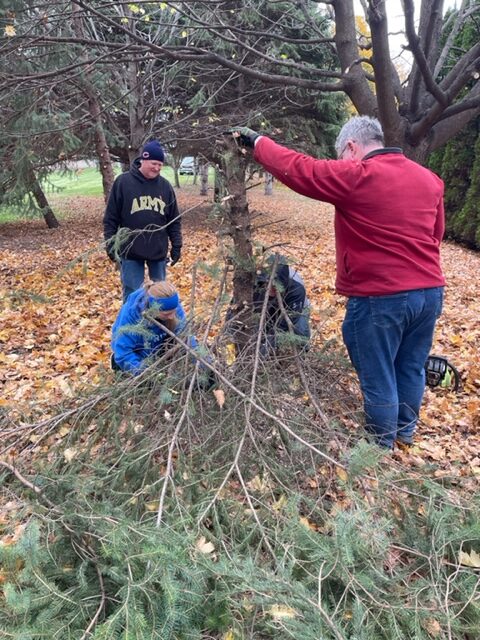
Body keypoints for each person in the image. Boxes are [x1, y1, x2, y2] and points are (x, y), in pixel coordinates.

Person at [229, 117, 445, 450]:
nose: (342, 162)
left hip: (381, 295)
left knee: (378, 373)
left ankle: (378, 449)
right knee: (411, 365)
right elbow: (436, 234)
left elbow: (302, 170)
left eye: (342, 154)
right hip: (429, 292)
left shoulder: (360, 174)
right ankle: (404, 435)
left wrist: (258, 143)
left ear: (352, 147)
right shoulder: (430, 180)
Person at [103, 140, 182, 301]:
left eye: (160, 165)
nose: (157, 168)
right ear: (143, 160)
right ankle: (131, 325)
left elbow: (174, 220)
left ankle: (158, 324)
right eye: (154, 163)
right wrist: (111, 245)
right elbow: (111, 218)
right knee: (132, 294)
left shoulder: (165, 186)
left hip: (158, 250)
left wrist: (177, 245)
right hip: (130, 250)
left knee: (161, 294)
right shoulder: (123, 183)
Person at [111, 280, 196, 374]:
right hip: (139, 358)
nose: (172, 316)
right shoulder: (131, 316)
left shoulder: (173, 306)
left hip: (161, 352)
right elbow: (123, 353)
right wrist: (144, 372)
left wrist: (199, 358)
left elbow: (185, 337)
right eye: (166, 314)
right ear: (153, 309)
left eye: (174, 312)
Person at [253, 258, 311, 352]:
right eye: (268, 285)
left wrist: (267, 346)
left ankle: (303, 351)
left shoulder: (296, 290)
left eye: (274, 286)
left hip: (296, 308)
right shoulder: (257, 283)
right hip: (268, 305)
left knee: (299, 327)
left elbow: (285, 325)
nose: (270, 288)